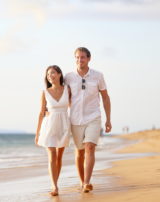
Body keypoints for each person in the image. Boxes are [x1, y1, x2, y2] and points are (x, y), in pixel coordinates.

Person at [64, 47, 112, 193]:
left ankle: (86, 182)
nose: (80, 60)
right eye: (77, 57)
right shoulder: (69, 77)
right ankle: (81, 181)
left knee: (90, 147)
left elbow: (105, 97)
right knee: (79, 152)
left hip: (93, 117)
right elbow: (64, 98)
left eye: (82, 57)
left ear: (89, 58)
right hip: (75, 119)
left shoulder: (98, 76)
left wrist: (108, 119)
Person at [35, 65, 71, 196]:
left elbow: (74, 105)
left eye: (53, 73)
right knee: (52, 156)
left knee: (59, 157)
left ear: (60, 74)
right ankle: (54, 186)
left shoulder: (67, 89)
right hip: (48, 125)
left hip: (63, 124)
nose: (50, 76)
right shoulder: (44, 92)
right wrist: (37, 133)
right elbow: (41, 113)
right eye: (48, 74)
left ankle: (56, 182)